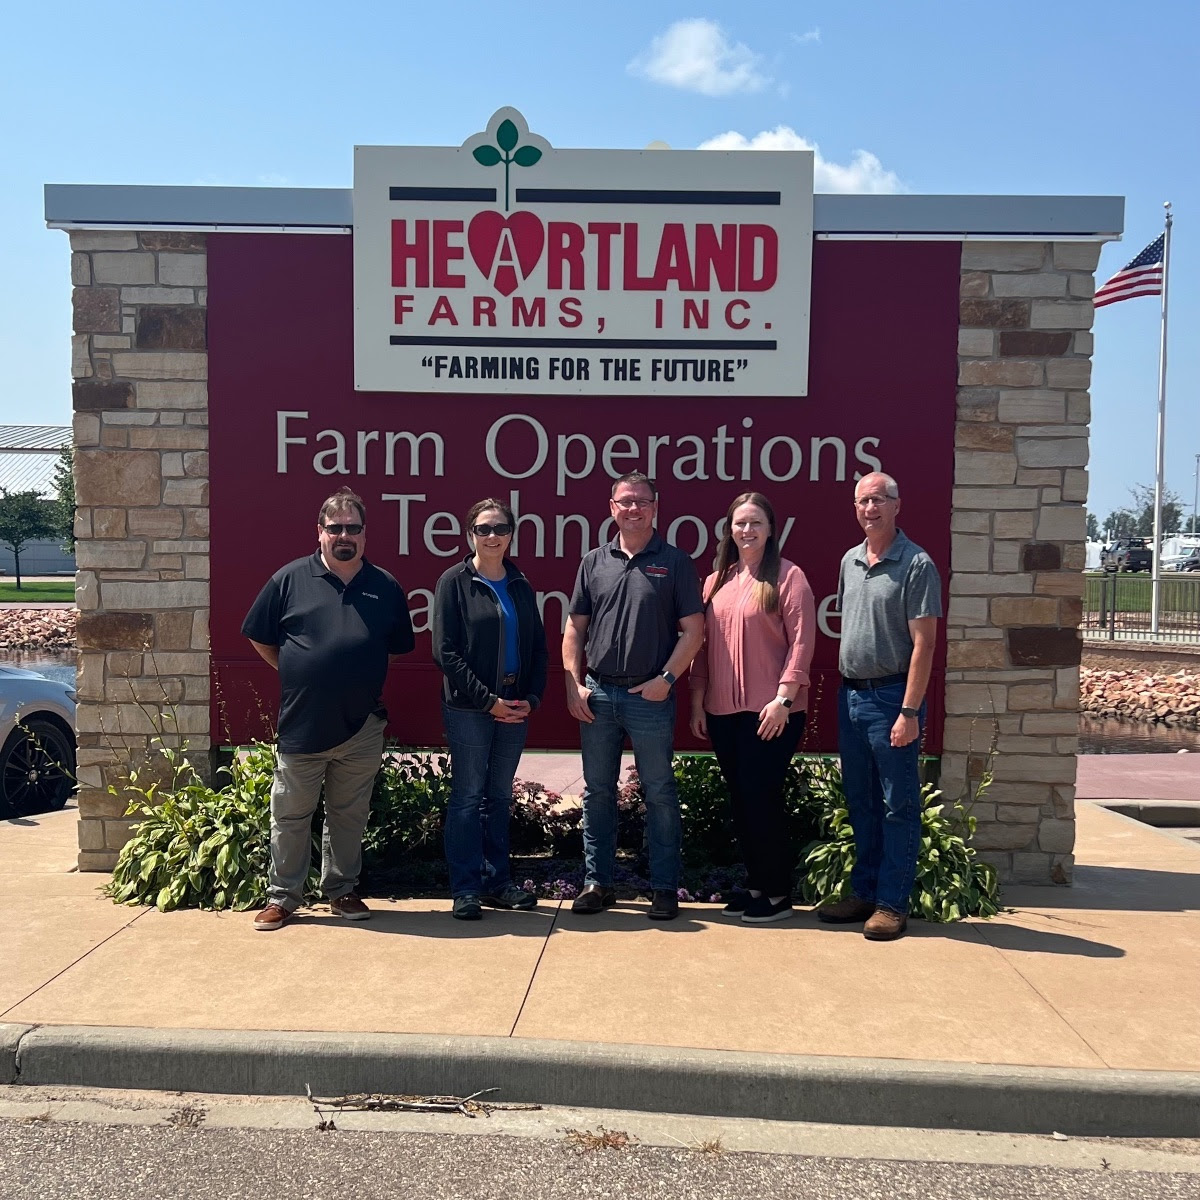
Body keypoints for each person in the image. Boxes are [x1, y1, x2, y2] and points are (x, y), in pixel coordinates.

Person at [242, 487, 414, 931]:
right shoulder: (289, 579)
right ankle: (283, 897)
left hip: (361, 726)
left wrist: (350, 669)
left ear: (364, 535)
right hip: (303, 723)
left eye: (352, 528)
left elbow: (394, 650)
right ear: (319, 533)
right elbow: (260, 638)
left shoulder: (385, 586)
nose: (344, 535)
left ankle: (342, 890)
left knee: (348, 816)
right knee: (291, 815)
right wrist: (302, 670)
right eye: (334, 528)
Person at [563, 472, 704, 922]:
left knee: (659, 792)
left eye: (641, 501)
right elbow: (574, 629)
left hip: (651, 696)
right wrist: (573, 682)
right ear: (611, 507)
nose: (633, 509)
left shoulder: (675, 562)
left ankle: (664, 888)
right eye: (625, 502)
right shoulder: (593, 562)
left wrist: (667, 677)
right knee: (597, 793)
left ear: (655, 507)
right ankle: (596, 883)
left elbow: (694, 631)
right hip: (599, 694)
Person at [818, 472, 942, 941]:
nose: (870, 508)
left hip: (892, 699)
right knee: (862, 802)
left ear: (897, 505)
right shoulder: (850, 561)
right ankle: (864, 893)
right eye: (862, 500)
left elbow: (924, 645)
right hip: (851, 695)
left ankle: (892, 904)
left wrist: (909, 712)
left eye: (879, 500)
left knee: (898, 805)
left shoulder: (916, 564)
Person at [689, 492, 816, 924]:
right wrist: (698, 702)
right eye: (740, 523)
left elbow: (802, 642)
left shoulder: (788, 576)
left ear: (770, 529)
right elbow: (701, 651)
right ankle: (757, 883)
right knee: (742, 801)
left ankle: (779, 894)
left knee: (762, 799)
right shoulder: (715, 581)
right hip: (724, 712)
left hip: (772, 714)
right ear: (729, 529)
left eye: (755, 522)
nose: (747, 530)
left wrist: (783, 698)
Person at [432, 498, 548, 921]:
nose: (493, 535)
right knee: (467, 797)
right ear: (470, 535)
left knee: (499, 797)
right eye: (484, 528)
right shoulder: (454, 582)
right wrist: (488, 701)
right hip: (469, 709)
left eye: (501, 528)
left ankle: (498, 883)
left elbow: (537, 647)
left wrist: (530, 699)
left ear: (511, 535)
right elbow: (445, 651)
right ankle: (466, 890)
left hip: (515, 705)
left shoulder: (519, 583)